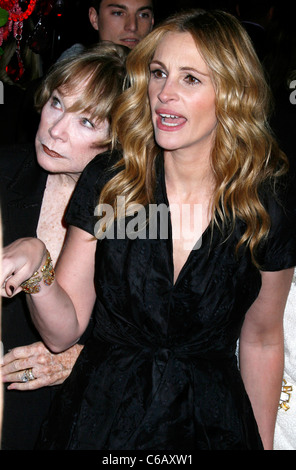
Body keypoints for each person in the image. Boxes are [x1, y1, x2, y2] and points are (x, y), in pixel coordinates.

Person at [1, 8, 296, 450]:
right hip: (100, 424)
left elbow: (262, 340)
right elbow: (63, 331)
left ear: (232, 92)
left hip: (212, 427)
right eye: (159, 73)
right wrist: (38, 263)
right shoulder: (115, 182)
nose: (164, 94)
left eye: (190, 79)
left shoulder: (263, 204)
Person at [0, 42, 127, 450]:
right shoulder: (5, 172)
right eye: (56, 102)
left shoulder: (133, 214)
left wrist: (79, 358)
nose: (55, 129)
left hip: (81, 419)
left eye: (87, 122)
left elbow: (165, 337)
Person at [59, 0, 154, 60]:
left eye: (143, 15)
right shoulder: (75, 64)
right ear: (94, 18)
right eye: (118, 13)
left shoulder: (162, 74)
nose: (133, 26)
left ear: (152, 22)